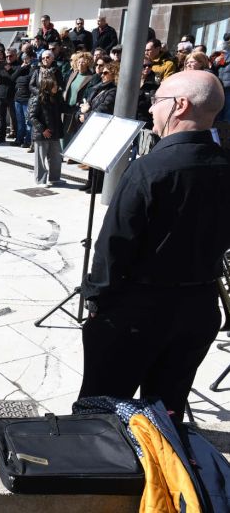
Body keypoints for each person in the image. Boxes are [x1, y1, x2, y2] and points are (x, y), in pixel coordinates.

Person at [79, 70, 230, 422]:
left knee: (100, 414)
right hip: (199, 308)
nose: (150, 109)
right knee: (164, 415)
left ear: (180, 106)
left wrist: (97, 299)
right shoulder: (225, 166)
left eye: (157, 100)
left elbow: (113, 248)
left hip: (135, 313)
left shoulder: (149, 169)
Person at [78, 60, 118, 192]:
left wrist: (86, 113)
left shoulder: (113, 91)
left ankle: (98, 185)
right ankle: (90, 181)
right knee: (90, 156)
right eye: (101, 72)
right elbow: (86, 104)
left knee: (98, 157)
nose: (102, 75)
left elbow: (103, 109)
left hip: (103, 127)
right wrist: (82, 112)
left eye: (105, 73)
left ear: (114, 74)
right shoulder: (98, 88)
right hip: (92, 125)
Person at [29, 74, 64, 187]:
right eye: (54, 85)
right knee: (41, 159)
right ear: (48, 86)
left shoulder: (56, 98)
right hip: (42, 134)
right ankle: (40, 180)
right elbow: (32, 116)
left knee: (56, 158)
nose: (57, 87)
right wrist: (42, 129)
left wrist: (79, 108)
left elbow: (66, 108)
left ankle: (54, 178)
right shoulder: (38, 99)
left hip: (55, 133)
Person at [62, 51, 94, 149]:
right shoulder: (73, 74)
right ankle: (62, 151)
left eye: (83, 62)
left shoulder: (90, 77)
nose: (80, 64)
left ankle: (71, 153)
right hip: (67, 106)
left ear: (88, 63)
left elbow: (88, 93)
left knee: (74, 131)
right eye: (79, 62)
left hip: (78, 108)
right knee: (64, 130)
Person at [0, 47, 18, 143]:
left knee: (14, 117)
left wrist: (7, 67)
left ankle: (17, 135)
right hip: (0, 95)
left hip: (12, 95)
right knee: (1, 118)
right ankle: (2, 136)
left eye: (11, 56)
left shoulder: (18, 65)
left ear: (15, 56)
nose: (8, 57)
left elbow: (13, 77)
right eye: (7, 56)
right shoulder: (1, 65)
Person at [11, 52, 35, 148]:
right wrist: (21, 68)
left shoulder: (32, 69)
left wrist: (27, 67)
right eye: (23, 58)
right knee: (20, 121)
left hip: (27, 99)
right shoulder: (19, 69)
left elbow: (31, 81)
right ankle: (19, 139)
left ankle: (28, 141)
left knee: (28, 121)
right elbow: (12, 78)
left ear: (30, 59)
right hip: (17, 99)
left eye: (27, 58)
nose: (25, 60)